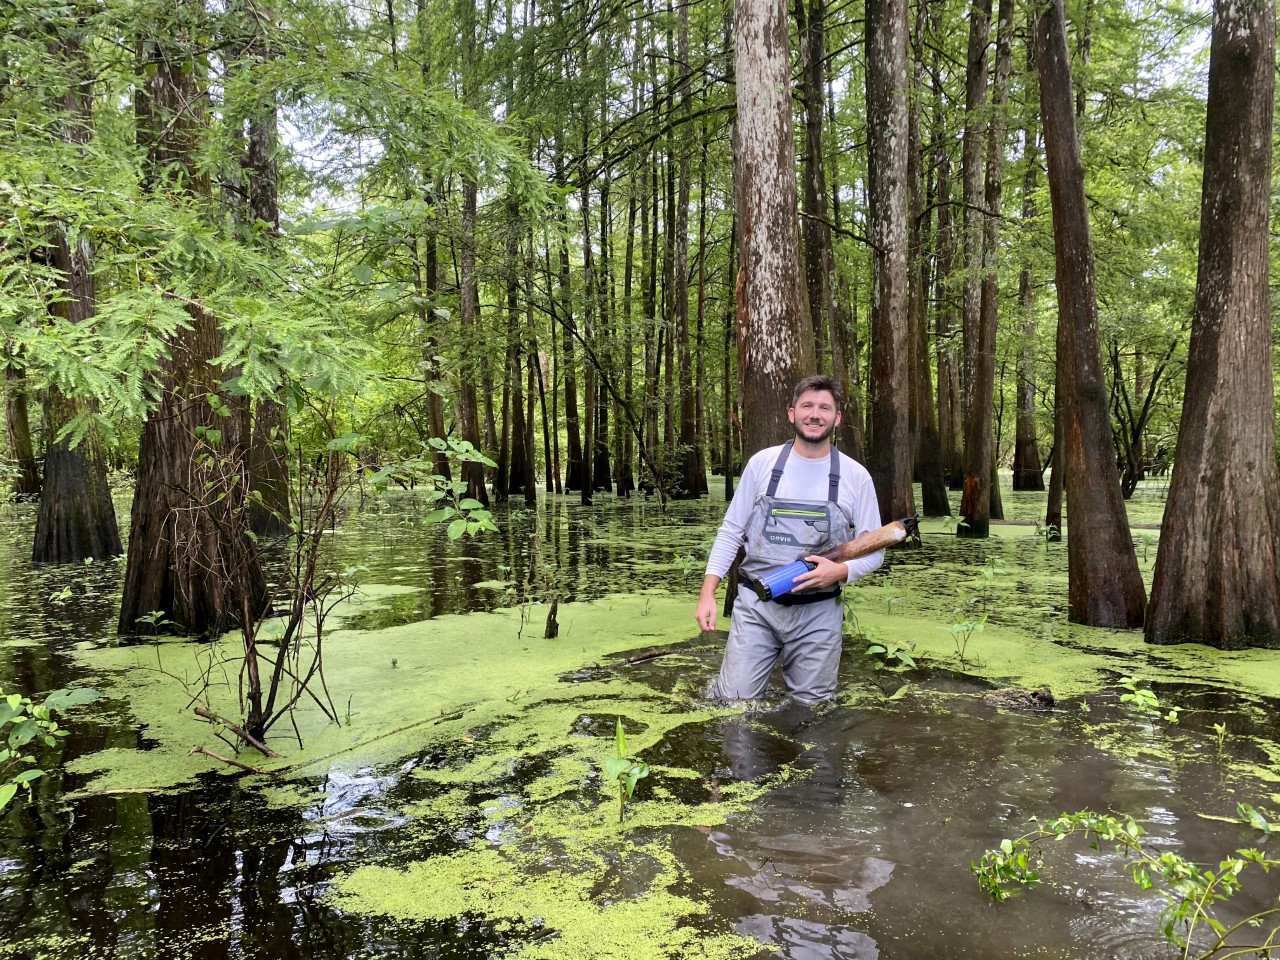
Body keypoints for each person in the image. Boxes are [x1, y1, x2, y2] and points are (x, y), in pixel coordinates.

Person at [694, 375, 884, 703]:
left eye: (825, 408)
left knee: (812, 712)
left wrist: (840, 572)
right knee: (734, 706)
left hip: (819, 611)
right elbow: (731, 532)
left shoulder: (855, 477)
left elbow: (874, 551)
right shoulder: (762, 465)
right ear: (791, 413)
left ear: (837, 418)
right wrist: (707, 592)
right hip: (757, 606)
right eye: (807, 405)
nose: (815, 414)